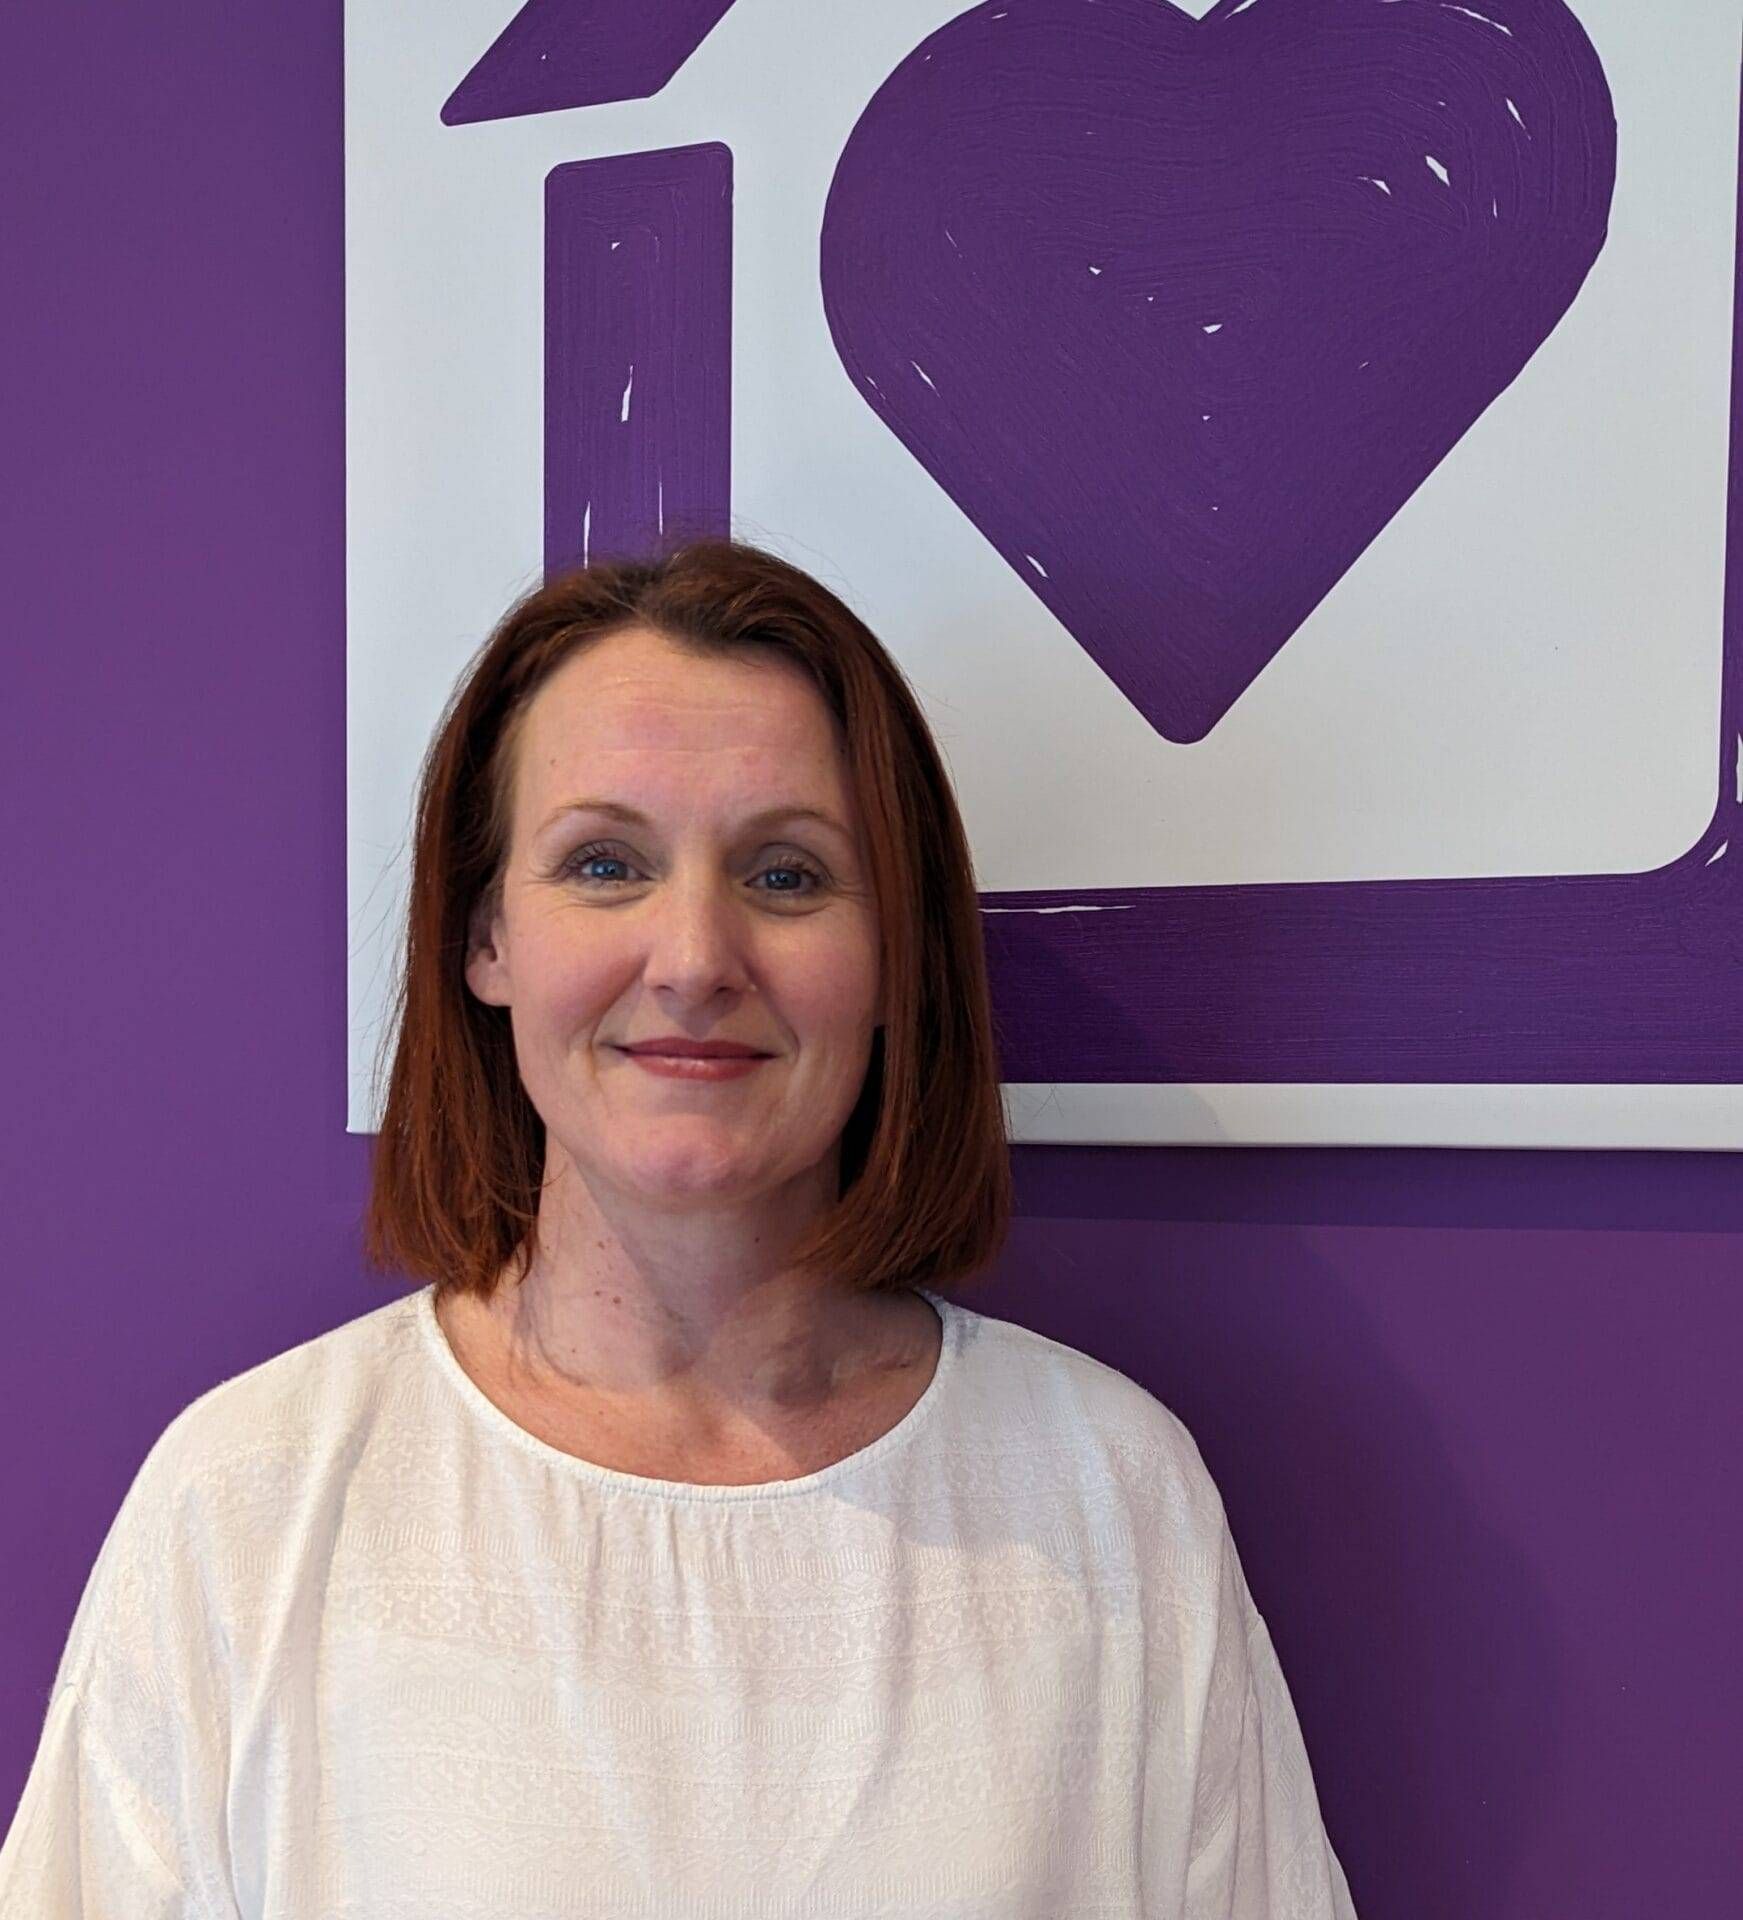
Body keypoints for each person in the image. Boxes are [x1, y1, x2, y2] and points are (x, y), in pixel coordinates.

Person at [0, 538, 1357, 1916]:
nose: (697, 959)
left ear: (897, 957)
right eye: (605, 864)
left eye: (787, 875)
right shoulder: (250, 1506)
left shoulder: (1108, 1500)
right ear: (485, 938)